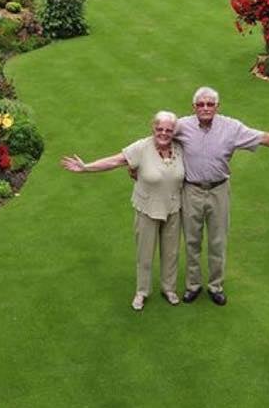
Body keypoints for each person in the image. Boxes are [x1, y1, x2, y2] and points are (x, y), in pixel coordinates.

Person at [174, 86, 269, 307]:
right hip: (191, 190)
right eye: (200, 104)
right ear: (193, 107)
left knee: (217, 241)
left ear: (217, 107)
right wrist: (135, 164)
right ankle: (193, 285)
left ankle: (215, 286)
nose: (205, 108)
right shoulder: (181, 126)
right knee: (192, 240)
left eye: (210, 104)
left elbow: (263, 137)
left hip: (219, 190)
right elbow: (158, 139)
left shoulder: (231, 127)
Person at [61, 112, 184, 311]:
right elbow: (115, 161)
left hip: (173, 209)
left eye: (169, 130)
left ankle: (169, 289)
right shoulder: (141, 147)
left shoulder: (180, 148)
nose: (164, 133)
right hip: (147, 209)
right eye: (159, 129)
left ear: (174, 132)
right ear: (153, 128)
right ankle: (142, 292)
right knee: (144, 254)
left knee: (171, 253)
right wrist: (86, 167)